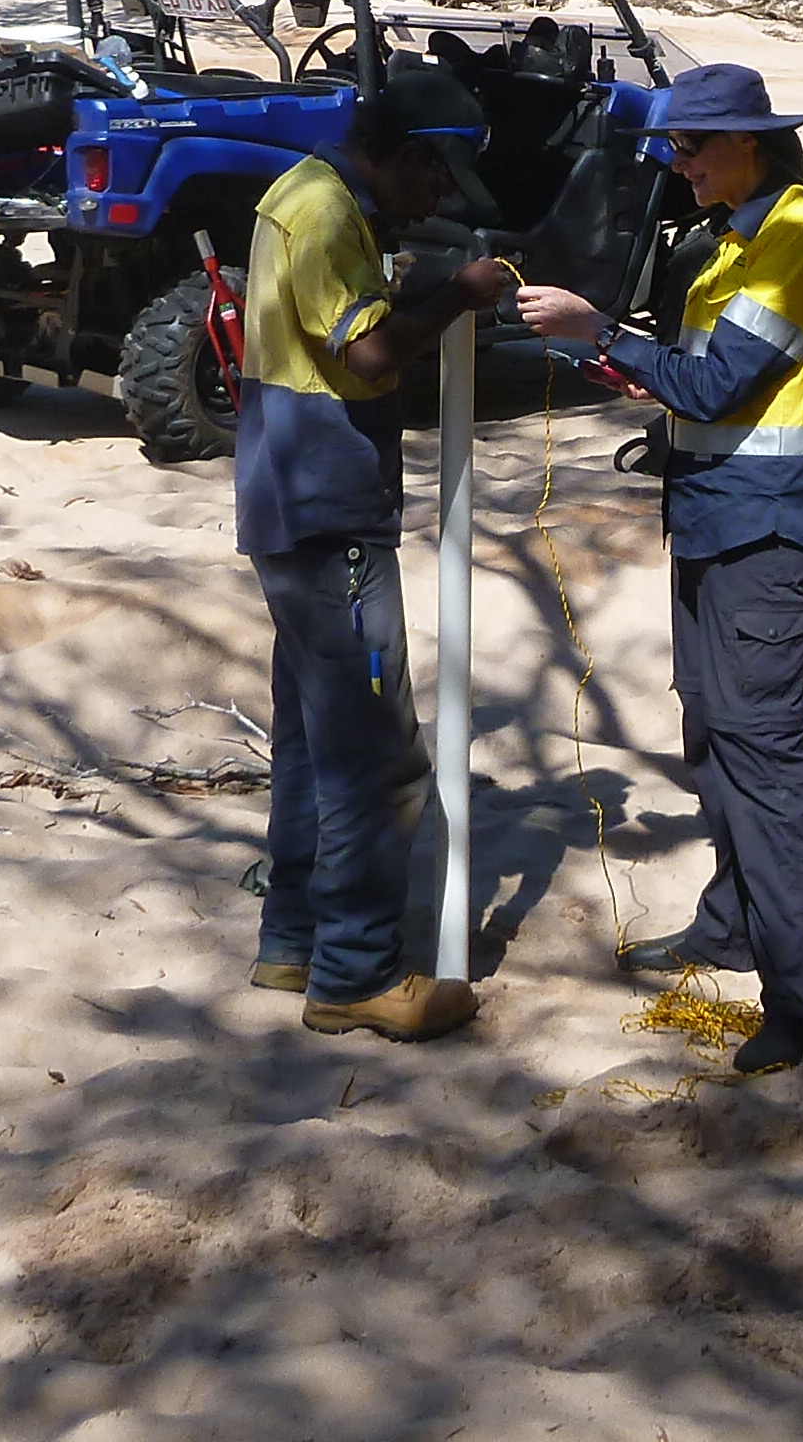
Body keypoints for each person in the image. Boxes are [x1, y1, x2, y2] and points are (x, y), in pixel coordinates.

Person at [510, 61, 803, 1077]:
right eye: (673, 144)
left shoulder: (795, 232)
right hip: (712, 524)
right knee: (713, 738)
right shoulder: (728, 244)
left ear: (750, 142)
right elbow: (687, 381)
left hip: (763, 534)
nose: (678, 163)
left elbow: (712, 383)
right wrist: (593, 350)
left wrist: (598, 329)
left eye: (692, 145)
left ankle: (800, 996)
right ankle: (731, 925)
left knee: (764, 757)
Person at [240, 64, 517, 1042]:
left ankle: (293, 937)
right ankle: (355, 973)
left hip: (288, 500)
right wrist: (455, 296)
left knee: (314, 741)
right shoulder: (322, 214)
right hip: (325, 511)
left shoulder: (303, 192)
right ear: (402, 154)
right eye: (435, 179)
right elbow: (366, 354)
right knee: (375, 756)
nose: (438, 199)